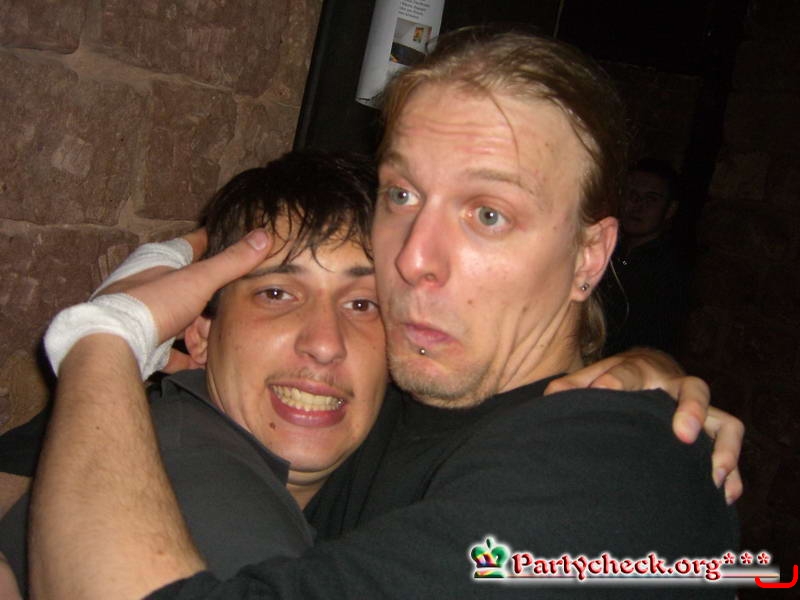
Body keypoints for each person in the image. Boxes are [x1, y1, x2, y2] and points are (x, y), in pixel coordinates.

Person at [29, 28, 742, 599]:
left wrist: (105, 334)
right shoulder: (386, 396)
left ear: (589, 256)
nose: (411, 257)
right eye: (401, 195)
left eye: (488, 214)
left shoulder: (616, 473)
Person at [0, 150, 387, 594]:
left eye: (363, 303)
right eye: (276, 294)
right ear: (201, 334)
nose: (325, 343)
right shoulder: (226, 514)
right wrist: (107, 331)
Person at [601, 158, 689, 355]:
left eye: (651, 199)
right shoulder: (607, 250)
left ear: (670, 209)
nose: (638, 206)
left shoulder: (667, 272)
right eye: (632, 195)